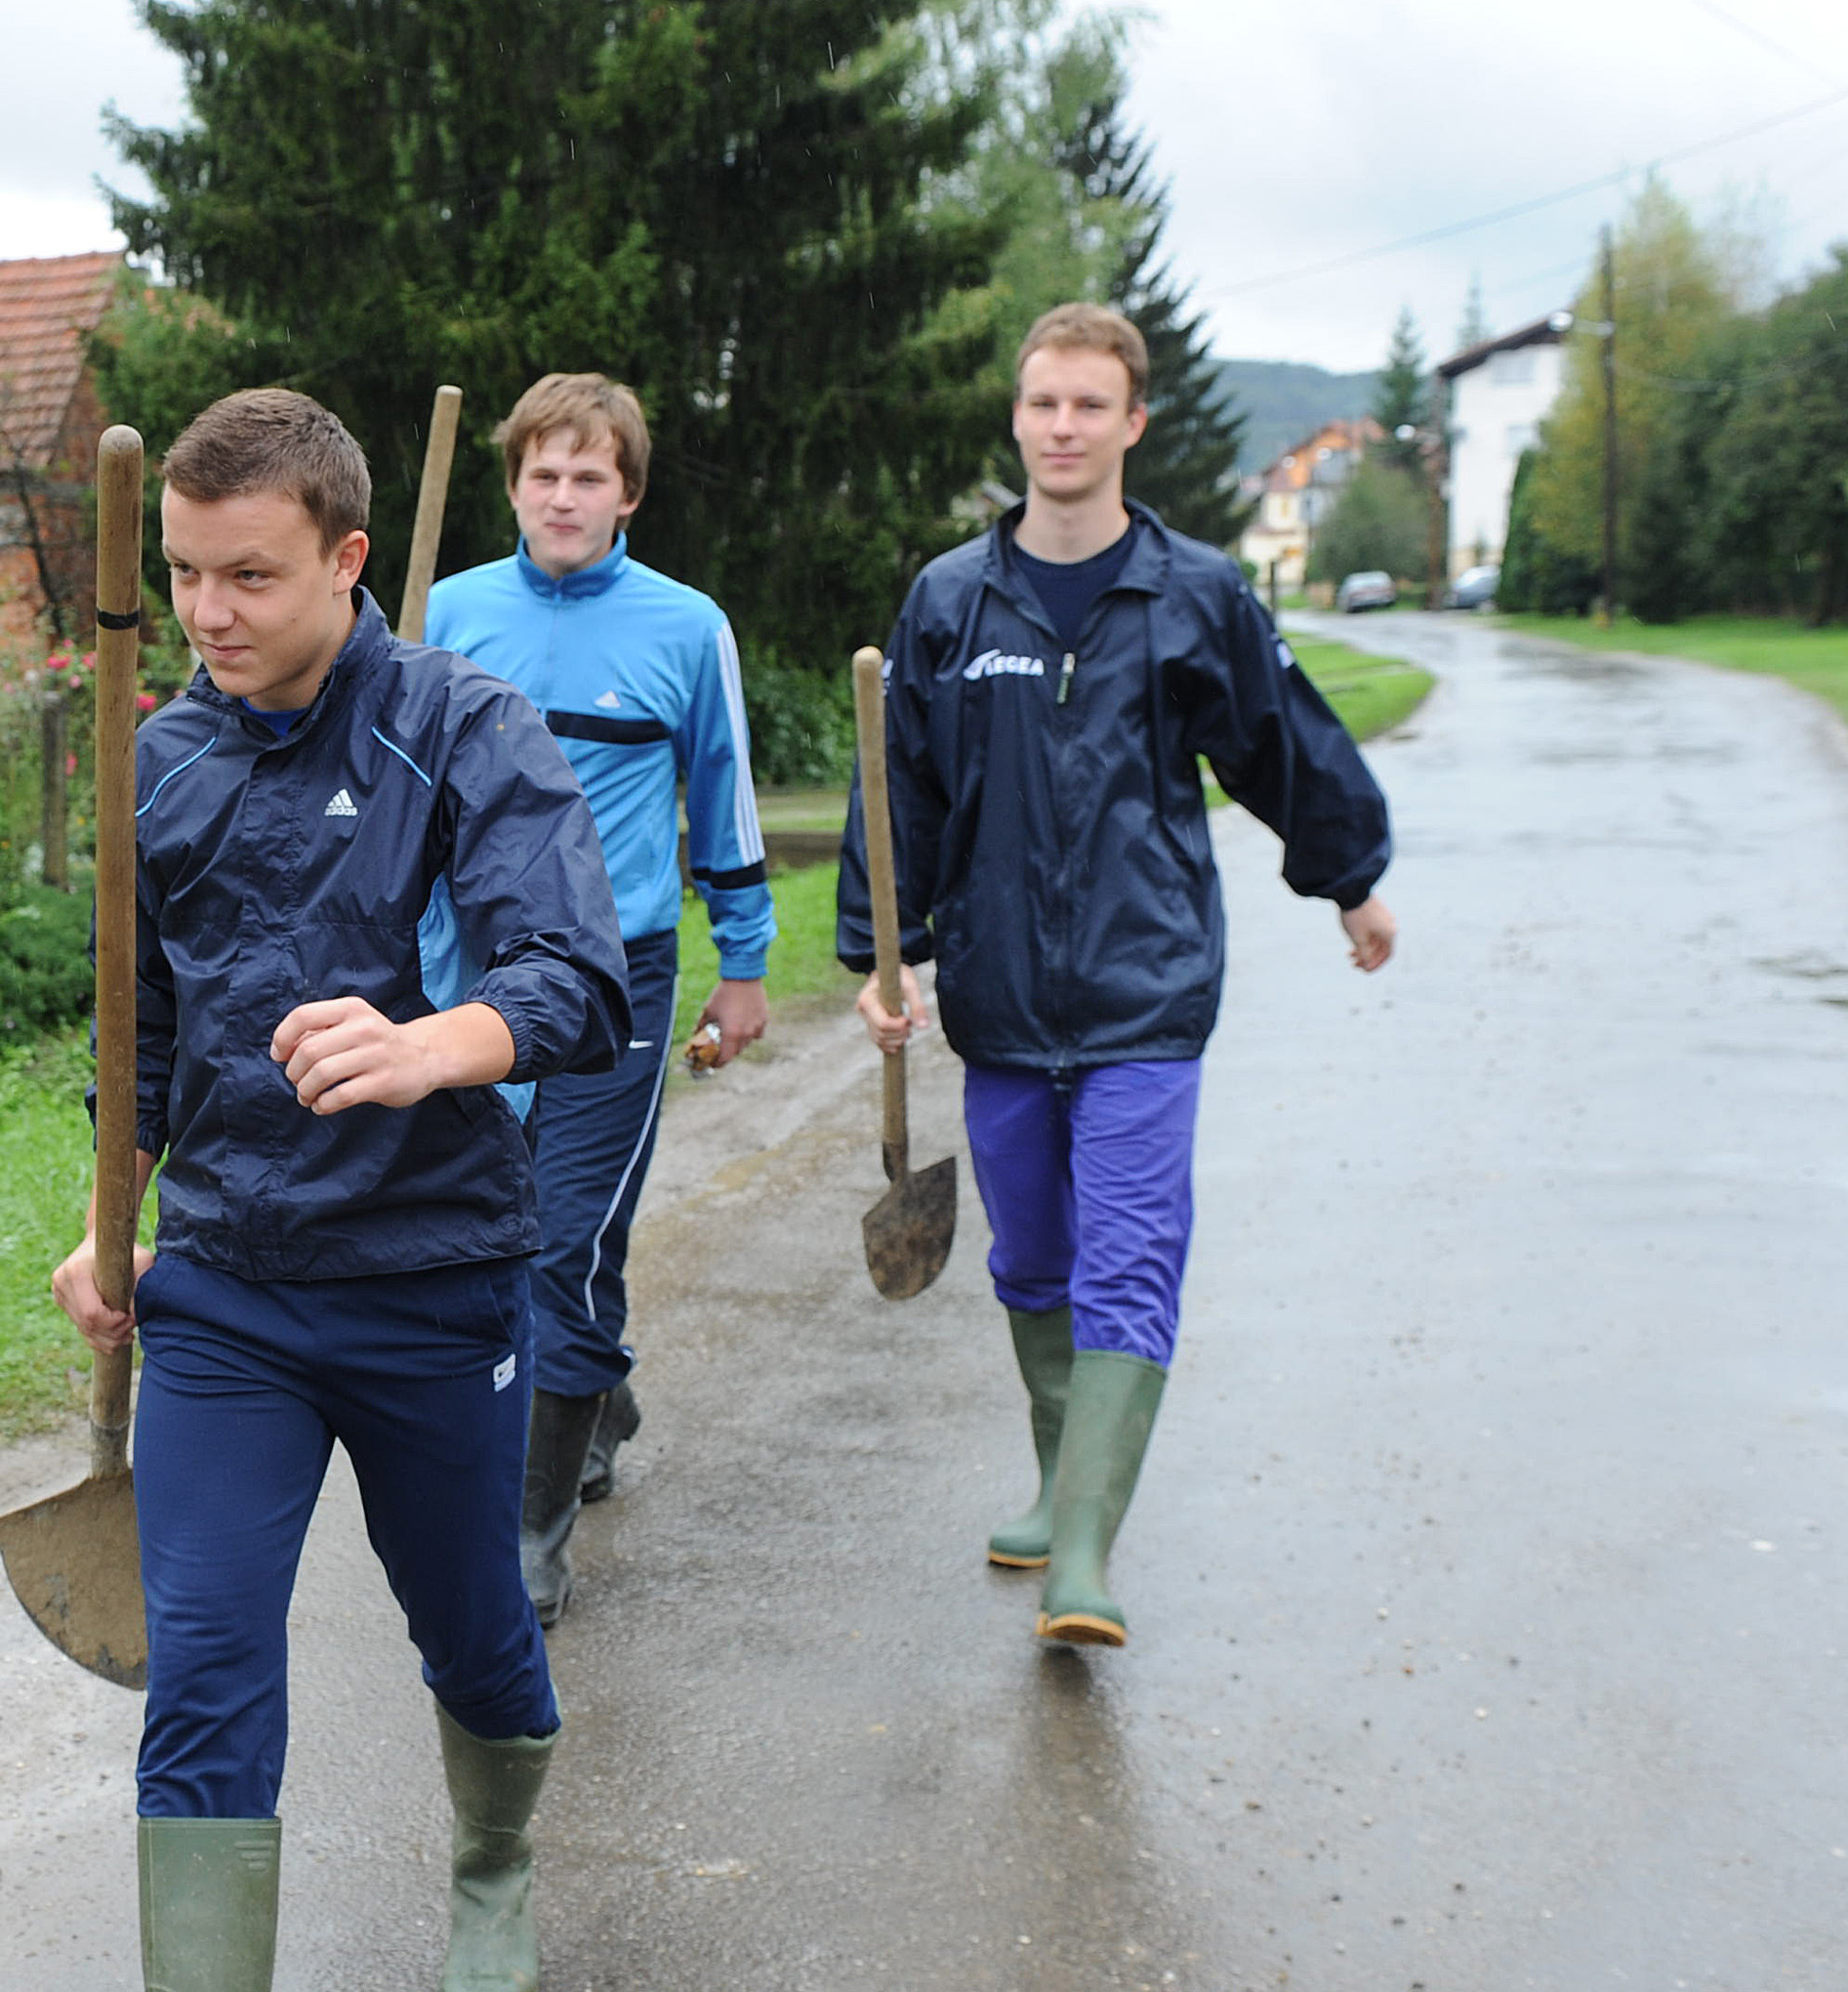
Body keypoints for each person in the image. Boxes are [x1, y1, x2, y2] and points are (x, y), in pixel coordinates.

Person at [18, 389, 628, 1992]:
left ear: (349, 560)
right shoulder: (161, 759)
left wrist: (423, 1041)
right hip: (228, 1287)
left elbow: (573, 975)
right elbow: (136, 1034)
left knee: (471, 1621)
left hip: (433, 1274)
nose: (208, 608)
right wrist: (106, 1223)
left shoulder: (466, 730)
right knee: (205, 1657)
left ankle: (496, 1854)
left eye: (251, 575)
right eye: (184, 574)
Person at [840, 303, 1396, 1650]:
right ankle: (1053, 1486)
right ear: (1019, 418)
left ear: (1133, 421)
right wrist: (879, 948)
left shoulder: (1196, 591)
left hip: (1146, 992)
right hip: (1002, 998)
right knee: (1032, 1254)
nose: (1065, 426)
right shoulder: (950, 601)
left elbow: (1280, 740)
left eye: (1092, 405)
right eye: (1045, 404)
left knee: (1130, 1260)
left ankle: (1086, 1548)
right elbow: (896, 786)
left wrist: (1352, 876)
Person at [430, 373, 773, 1626]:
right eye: (541, 473)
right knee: (482, 1227)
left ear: (625, 491)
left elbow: (724, 801)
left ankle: (528, 1531)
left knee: (565, 1234)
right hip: (464, 973)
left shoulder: (685, 629)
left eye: (588, 476)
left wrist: (744, 963)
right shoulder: (445, 613)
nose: (562, 496)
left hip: (614, 976)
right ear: (512, 481)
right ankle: (593, 1398)